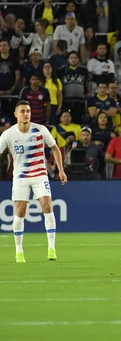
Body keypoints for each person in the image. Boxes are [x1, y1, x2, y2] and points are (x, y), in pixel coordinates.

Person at [0, 100, 67, 263]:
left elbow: (55, 148)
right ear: (16, 114)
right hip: (21, 177)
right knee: (20, 210)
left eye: (28, 111)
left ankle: (51, 248)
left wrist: (61, 170)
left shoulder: (40, 130)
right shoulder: (8, 135)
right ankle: (19, 251)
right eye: (22, 111)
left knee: (47, 205)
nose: (26, 114)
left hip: (39, 175)